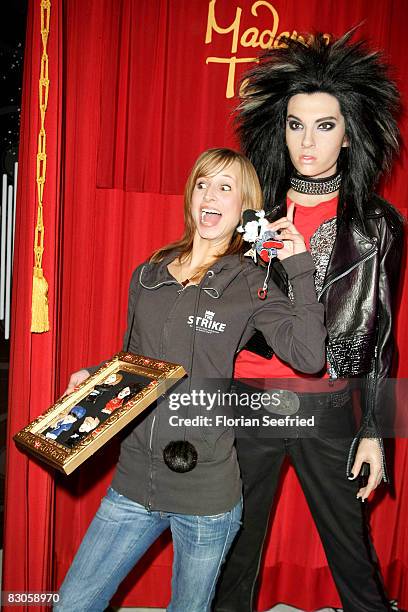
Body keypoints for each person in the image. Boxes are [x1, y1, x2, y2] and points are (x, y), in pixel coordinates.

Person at [54, 148, 326, 612]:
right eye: (203, 183)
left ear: (245, 209)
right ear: (191, 195)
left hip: (207, 495)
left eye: (226, 187)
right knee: (72, 605)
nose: (210, 195)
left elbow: (308, 355)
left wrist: (299, 266)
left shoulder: (252, 283)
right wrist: (95, 377)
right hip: (134, 483)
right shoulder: (150, 273)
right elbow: (134, 362)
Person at [214, 31, 404, 612]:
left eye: (325, 125)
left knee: (352, 556)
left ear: (349, 134)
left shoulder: (377, 224)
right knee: (233, 552)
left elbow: (381, 336)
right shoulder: (254, 211)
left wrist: (375, 431)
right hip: (248, 401)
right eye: (296, 124)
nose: (308, 141)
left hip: (324, 404)